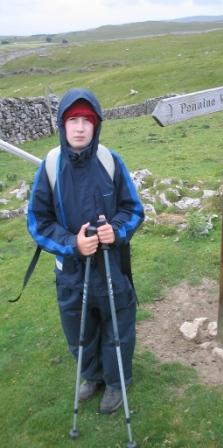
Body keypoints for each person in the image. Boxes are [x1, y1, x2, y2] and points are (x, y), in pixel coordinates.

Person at [27, 88, 144, 414]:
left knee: (117, 324)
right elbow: (38, 221)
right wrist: (72, 243)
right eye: (73, 120)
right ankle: (92, 376)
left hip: (111, 265)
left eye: (87, 121)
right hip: (71, 272)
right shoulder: (50, 167)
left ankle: (117, 380)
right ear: (62, 125)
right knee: (79, 327)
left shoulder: (110, 162)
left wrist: (115, 231)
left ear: (96, 125)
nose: (80, 127)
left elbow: (133, 209)